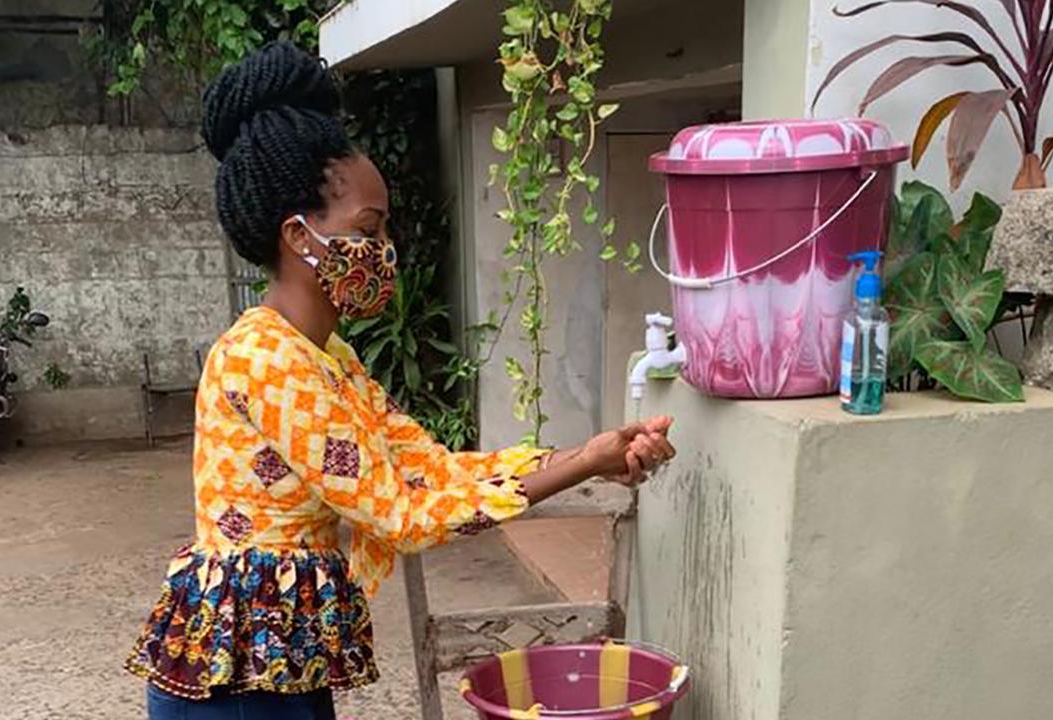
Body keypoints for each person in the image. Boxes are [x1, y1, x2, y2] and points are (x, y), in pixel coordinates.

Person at [125, 42, 676, 720]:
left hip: (275, 661)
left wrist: (585, 458)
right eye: (370, 228)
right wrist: (576, 468)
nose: (386, 251)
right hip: (236, 682)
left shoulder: (329, 356)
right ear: (300, 236)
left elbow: (427, 470)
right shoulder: (265, 359)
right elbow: (403, 514)